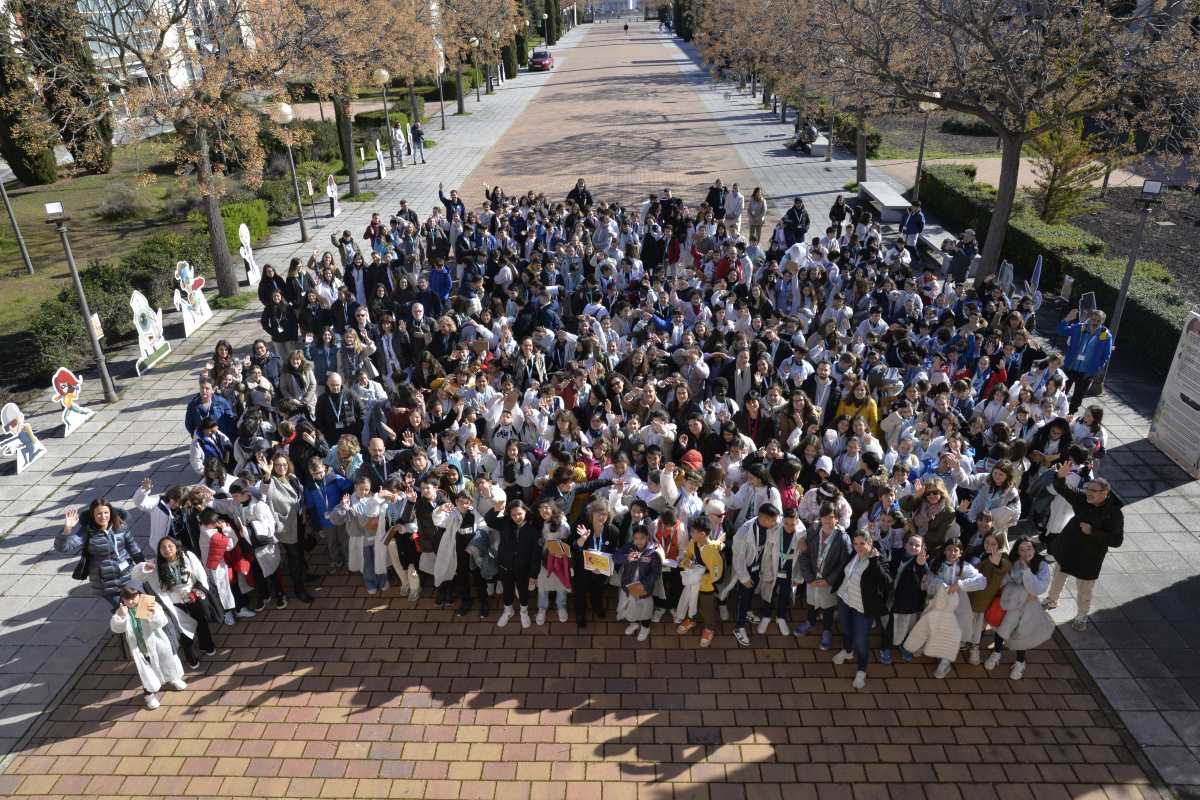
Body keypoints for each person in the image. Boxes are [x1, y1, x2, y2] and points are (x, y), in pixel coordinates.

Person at [1042, 459, 1123, 630]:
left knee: (1084, 590)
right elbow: (1064, 489)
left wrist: (1093, 532)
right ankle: (1052, 599)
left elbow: (1117, 541)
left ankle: (1081, 616)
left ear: (1105, 492)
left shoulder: (1114, 514)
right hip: (1069, 548)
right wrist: (1060, 477)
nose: (1088, 493)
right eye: (1087, 489)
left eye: (1093, 490)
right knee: (1058, 575)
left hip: (1090, 557)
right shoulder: (1083, 499)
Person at [56, 499, 144, 608]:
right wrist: (67, 529)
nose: (103, 516)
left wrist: (143, 566)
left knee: (145, 607)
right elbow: (63, 548)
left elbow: (133, 547)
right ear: (93, 515)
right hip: (107, 583)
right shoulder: (87, 531)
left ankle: (160, 624)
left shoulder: (121, 526)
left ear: (111, 513)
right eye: (98, 513)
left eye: (106, 512)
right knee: (126, 611)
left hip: (128, 574)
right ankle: (124, 623)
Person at [110, 586, 187, 709]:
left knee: (167, 662)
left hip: (157, 642)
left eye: (133, 597)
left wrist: (151, 615)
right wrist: (121, 616)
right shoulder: (122, 610)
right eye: (126, 599)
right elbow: (116, 628)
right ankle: (149, 695)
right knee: (146, 673)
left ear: (138, 595)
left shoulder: (147, 603)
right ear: (122, 600)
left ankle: (173, 679)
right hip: (140, 648)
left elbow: (161, 622)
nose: (130, 601)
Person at [831, 531, 891, 689]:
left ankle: (862, 670)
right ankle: (847, 651)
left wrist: (875, 561)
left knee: (861, 640)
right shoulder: (855, 553)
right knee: (845, 629)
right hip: (844, 599)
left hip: (863, 607)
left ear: (869, 543)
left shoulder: (878, 560)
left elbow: (887, 582)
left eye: (862, 543)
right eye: (855, 543)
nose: (858, 547)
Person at [1056, 308, 1113, 413]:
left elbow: (1106, 355)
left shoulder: (1105, 335)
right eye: (1093, 319)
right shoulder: (1079, 327)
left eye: (1098, 321)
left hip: (1086, 372)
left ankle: (1070, 416)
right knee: (1060, 394)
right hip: (1070, 367)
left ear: (1103, 322)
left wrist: (1097, 368)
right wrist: (1067, 319)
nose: (1095, 322)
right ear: (1090, 318)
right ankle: (1056, 413)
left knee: (1077, 399)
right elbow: (1060, 330)